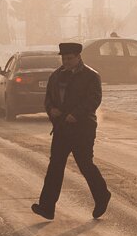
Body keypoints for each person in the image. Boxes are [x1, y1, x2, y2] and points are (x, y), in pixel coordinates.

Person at [31, 41, 111, 221]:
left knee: (85, 164)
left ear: (78, 57)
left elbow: (94, 99)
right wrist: (52, 110)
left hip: (83, 128)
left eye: (69, 58)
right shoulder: (56, 76)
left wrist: (76, 115)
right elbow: (49, 100)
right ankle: (46, 207)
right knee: (55, 167)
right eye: (63, 58)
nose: (65, 62)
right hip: (62, 128)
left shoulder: (90, 76)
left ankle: (102, 196)